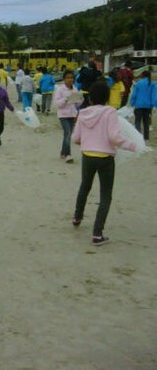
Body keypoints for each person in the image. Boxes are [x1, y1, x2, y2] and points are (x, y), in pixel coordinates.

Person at [71, 81, 137, 246]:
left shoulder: (83, 113)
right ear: (107, 97)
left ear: (91, 98)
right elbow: (114, 137)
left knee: (84, 187)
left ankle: (77, 217)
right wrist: (132, 145)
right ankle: (97, 233)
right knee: (105, 195)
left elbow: (75, 138)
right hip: (105, 158)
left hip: (87, 156)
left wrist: (87, 142)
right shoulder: (110, 112)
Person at [54, 70, 80, 163]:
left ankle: (63, 152)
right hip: (63, 115)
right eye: (68, 78)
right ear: (64, 79)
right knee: (68, 133)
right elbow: (57, 104)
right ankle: (68, 154)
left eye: (72, 78)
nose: (70, 80)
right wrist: (66, 98)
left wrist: (80, 99)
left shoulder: (75, 89)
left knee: (68, 134)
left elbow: (77, 104)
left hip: (72, 114)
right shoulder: (60, 89)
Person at [130, 70, 157, 141]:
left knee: (137, 121)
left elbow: (134, 94)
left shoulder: (138, 83)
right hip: (148, 106)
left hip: (138, 105)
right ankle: (146, 138)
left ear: (143, 75)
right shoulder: (153, 83)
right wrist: (154, 105)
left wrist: (132, 103)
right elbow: (154, 95)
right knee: (146, 122)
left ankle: (137, 137)